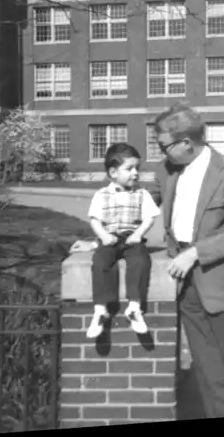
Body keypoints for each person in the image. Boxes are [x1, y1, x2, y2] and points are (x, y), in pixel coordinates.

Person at [150, 101, 224, 418]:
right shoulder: (166, 170)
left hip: (223, 287)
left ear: (186, 143)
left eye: (164, 146)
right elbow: (140, 204)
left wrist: (196, 252)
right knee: (209, 370)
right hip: (187, 289)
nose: (162, 152)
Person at [75, 143, 160, 338]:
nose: (135, 173)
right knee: (101, 262)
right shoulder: (101, 195)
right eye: (129, 169)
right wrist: (103, 236)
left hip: (131, 238)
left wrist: (139, 233)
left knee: (140, 261)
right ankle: (100, 309)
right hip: (110, 238)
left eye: (137, 168)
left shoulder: (142, 194)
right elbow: (95, 220)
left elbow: (150, 217)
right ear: (113, 172)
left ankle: (134, 307)